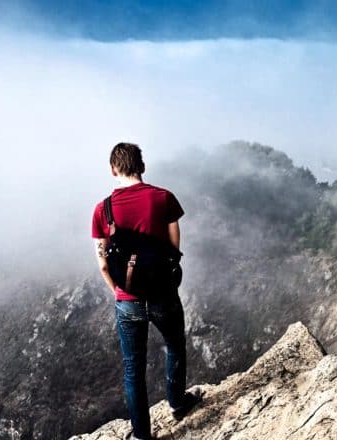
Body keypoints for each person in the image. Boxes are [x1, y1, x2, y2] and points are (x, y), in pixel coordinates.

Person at [91, 143, 200, 440]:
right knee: (175, 346)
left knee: (133, 369)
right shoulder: (164, 198)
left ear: (113, 169)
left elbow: (102, 264)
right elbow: (174, 249)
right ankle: (178, 403)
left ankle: (141, 435)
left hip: (127, 302)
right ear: (142, 166)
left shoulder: (103, 209)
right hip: (163, 293)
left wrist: (120, 291)